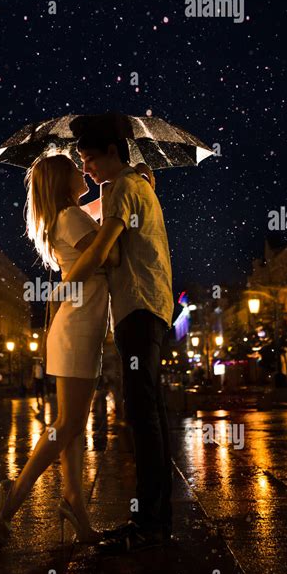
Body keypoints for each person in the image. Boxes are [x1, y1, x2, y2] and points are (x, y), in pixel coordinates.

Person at [0, 153, 121, 544]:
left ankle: (74, 503)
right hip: (77, 327)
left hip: (76, 326)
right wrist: (121, 215)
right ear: (63, 180)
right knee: (68, 425)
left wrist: (107, 199)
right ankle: (12, 499)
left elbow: (92, 222)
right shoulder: (72, 218)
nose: (83, 171)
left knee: (71, 425)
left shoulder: (65, 216)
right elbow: (112, 254)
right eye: (75, 169)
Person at [55, 121, 175, 552]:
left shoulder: (121, 187)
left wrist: (63, 286)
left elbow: (105, 246)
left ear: (110, 151)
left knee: (142, 415)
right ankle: (157, 518)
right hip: (153, 305)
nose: (85, 170)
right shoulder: (136, 186)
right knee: (152, 412)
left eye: (88, 159)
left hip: (136, 305)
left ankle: (149, 524)